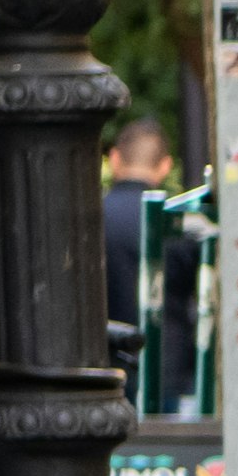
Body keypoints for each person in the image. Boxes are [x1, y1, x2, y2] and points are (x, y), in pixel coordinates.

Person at [98, 117, 171, 335]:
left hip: (107, 357)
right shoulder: (177, 223)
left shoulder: (90, 218)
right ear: (165, 166)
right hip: (169, 361)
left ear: (114, 158)